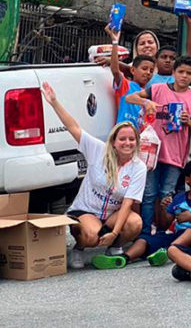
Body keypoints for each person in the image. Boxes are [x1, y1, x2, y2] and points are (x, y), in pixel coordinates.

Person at [43, 83, 145, 270]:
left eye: (132, 139)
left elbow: (128, 203)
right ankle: (79, 248)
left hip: (112, 215)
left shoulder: (139, 167)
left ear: (137, 142)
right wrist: (54, 102)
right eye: (122, 139)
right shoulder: (98, 150)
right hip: (87, 211)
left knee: (135, 223)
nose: (127, 143)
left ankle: (114, 246)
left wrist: (114, 233)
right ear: (113, 142)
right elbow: (73, 127)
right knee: (91, 235)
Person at [125, 56, 191, 233]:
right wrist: (146, 102)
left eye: (189, 73)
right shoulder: (157, 89)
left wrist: (188, 122)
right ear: (174, 73)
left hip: (175, 154)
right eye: (181, 72)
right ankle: (145, 233)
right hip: (151, 152)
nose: (184, 76)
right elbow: (129, 98)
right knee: (148, 194)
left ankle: (162, 232)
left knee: (166, 195)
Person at [93, 159, 191, 270]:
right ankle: (123, 258)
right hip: (177, 236)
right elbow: (164, 225)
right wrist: (163, 209)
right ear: (187, 180)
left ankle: (168, 251)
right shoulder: (179, 198)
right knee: (145, 239)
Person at [109, 25, 154, 130]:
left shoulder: (149, 93)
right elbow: (115, 70)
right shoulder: (126, 85)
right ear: (133, 70)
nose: (148, 73)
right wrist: (115, 42)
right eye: (144, 68)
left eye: (151, 71)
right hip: (122, 134)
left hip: (139, 137)